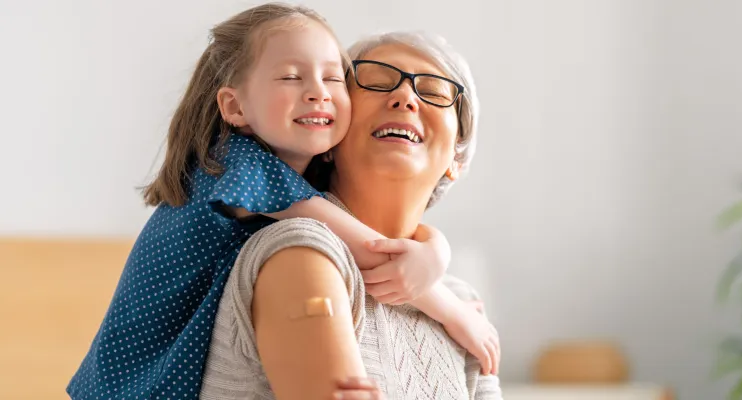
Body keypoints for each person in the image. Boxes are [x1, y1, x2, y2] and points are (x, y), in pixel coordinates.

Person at [67, 4, 496, 399]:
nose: (318, 93)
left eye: (332, 79)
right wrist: (450, 307)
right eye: (291, 77)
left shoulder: (284, 190)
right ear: (235, 106)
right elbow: (368, 248)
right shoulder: (241, 171)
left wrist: (435, 254)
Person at [200, 30, 502, 399]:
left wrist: (438, 262)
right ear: (329, 135)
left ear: (457, 157)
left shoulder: (462, 302)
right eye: (376, 82)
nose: (405, 97)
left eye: (435, 92)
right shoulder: (299, 250)